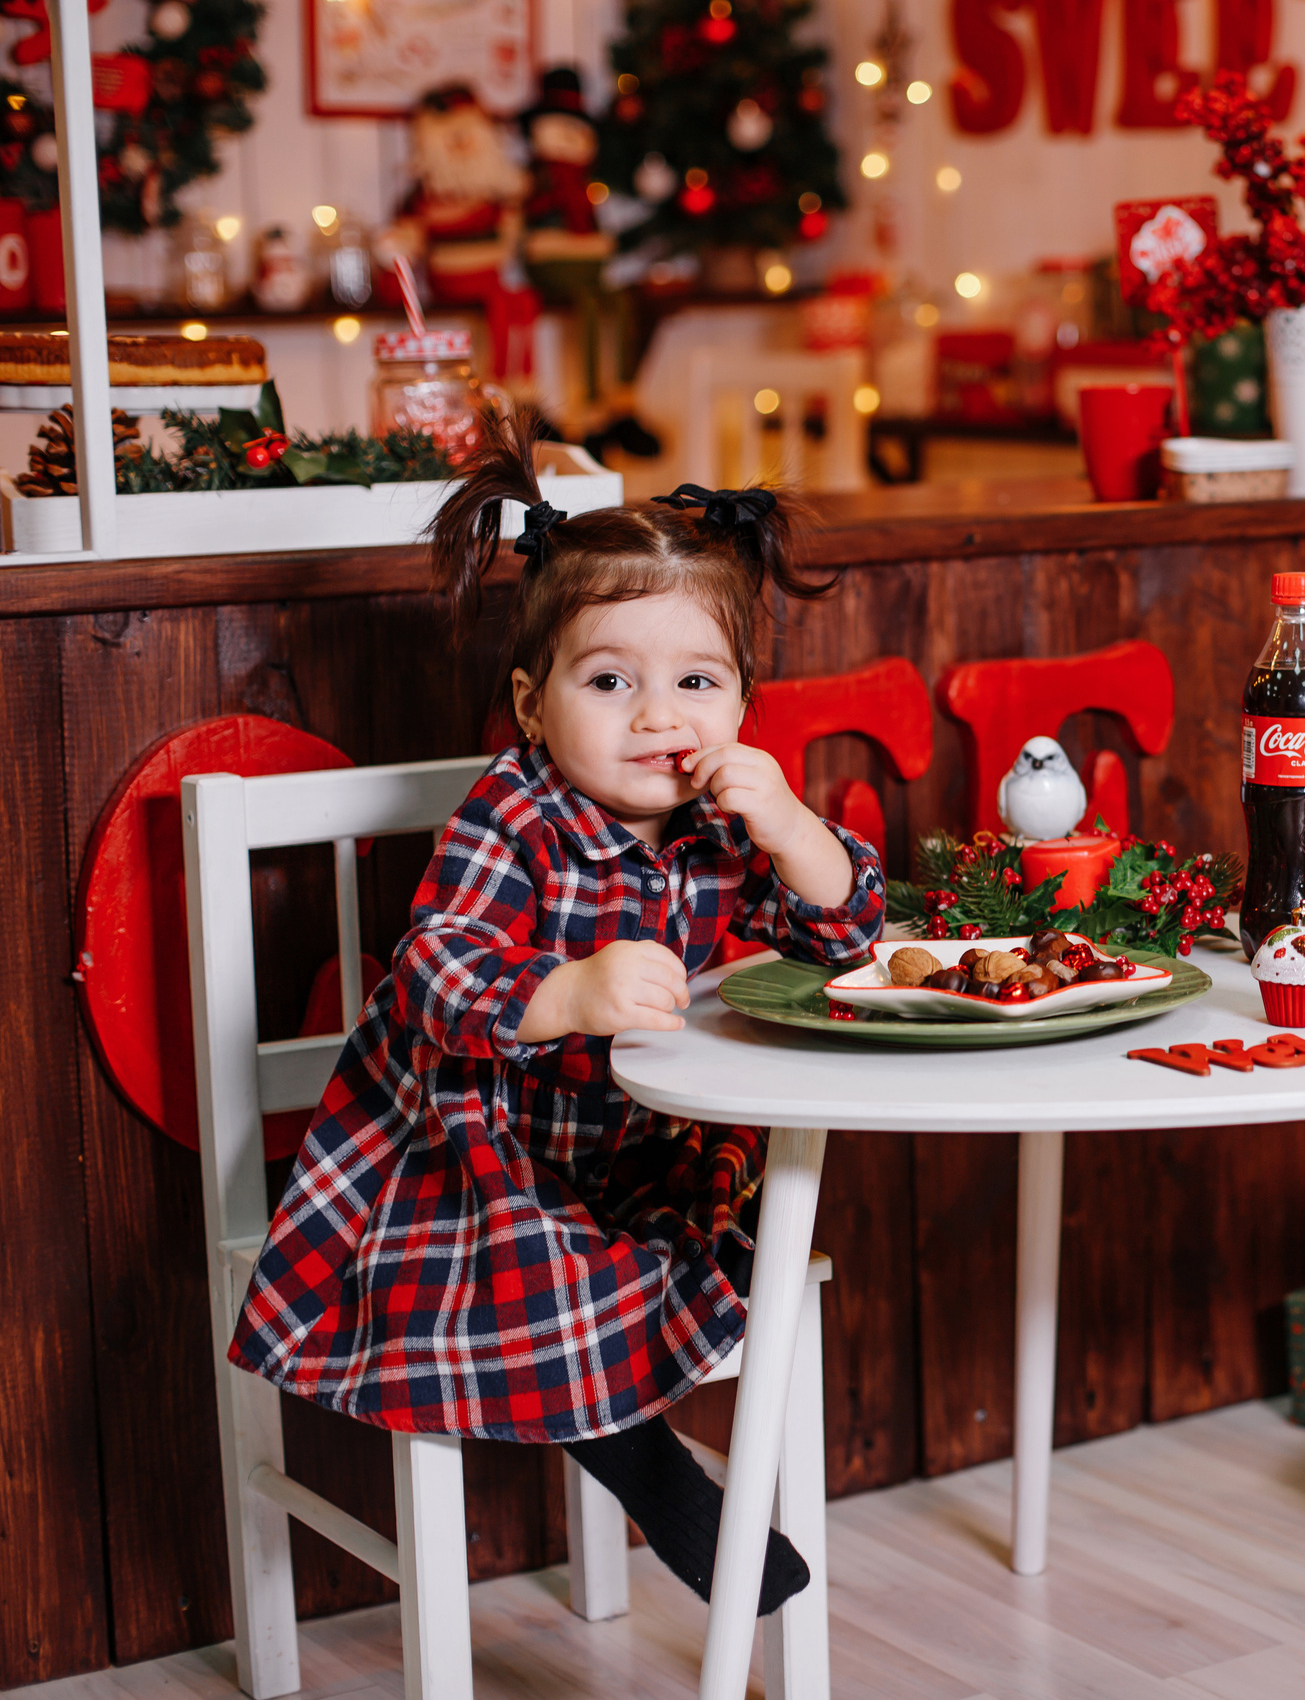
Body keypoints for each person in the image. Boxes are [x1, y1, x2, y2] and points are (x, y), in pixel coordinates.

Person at [228, 409, 881, 1616]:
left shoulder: (731, 814)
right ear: (533, 706)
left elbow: (846, 947)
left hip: (636, 1144)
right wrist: (559, 992)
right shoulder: (514, 811)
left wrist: (795, 832)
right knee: (547, 1269)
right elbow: (433, 968)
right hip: (467, 1151)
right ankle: (666, 1485)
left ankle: (639, 1440)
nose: (655, 716)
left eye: (696, 681)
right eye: (608, 682)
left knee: (730, 1237)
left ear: (742, 700)